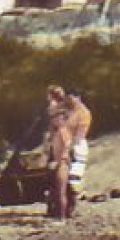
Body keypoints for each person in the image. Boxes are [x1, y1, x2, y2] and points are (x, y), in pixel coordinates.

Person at [43, 85, 71, 219]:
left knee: (61, 191)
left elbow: (66, 147)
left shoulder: (62, 131)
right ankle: (57, 215)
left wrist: (58, 162)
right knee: (54, 191)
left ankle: (62, 217)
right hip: (56, 161)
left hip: (62, 162)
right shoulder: (54, 132)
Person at [65, 89, 92, 218]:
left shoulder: (83, 113)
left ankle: (73, 208)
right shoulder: (69, 112)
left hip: (77, 145)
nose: (69, 101)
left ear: (78, 97)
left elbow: (81, 132)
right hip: (67, 145)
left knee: (73, 178)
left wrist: (71, 145)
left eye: (71, 99)